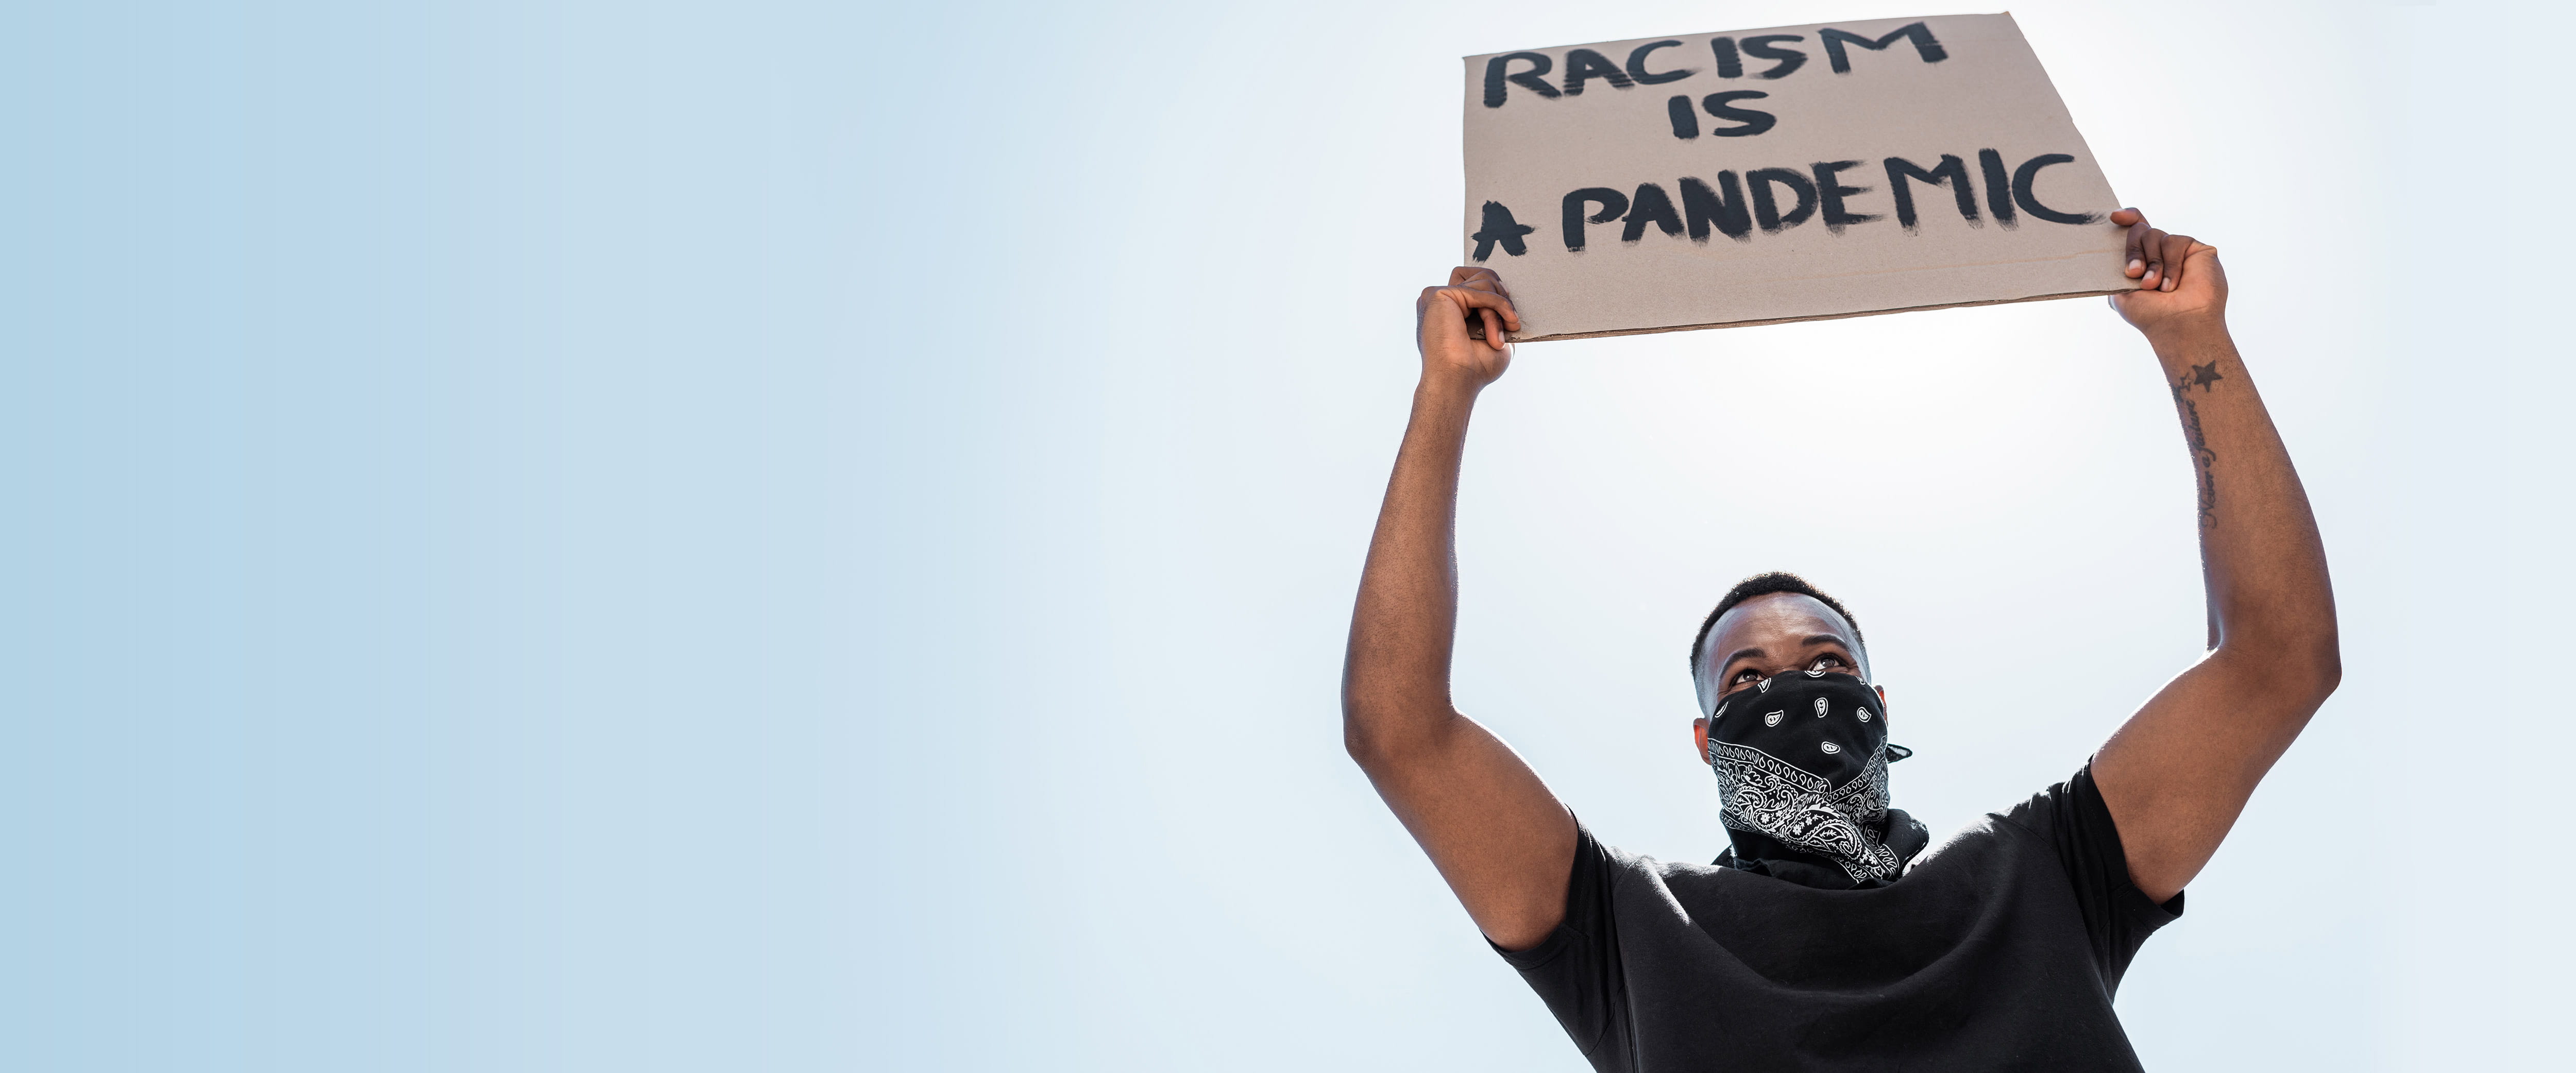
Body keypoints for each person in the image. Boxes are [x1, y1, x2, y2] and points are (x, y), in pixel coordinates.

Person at [1340, 210, 2338, 1071]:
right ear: (1704, 737)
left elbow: (2277, 659)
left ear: (1877, 706)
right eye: (1747, 677)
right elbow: (1399, 729)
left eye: (1826, 668)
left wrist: (2191, 342)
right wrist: (1444, 393)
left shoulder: (2043, 871)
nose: (1794, 690)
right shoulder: (1629, 926)